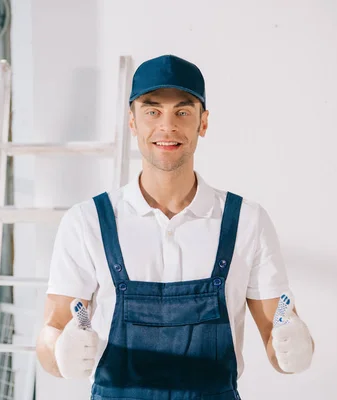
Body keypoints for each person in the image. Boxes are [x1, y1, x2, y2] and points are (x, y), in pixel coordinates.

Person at [36, 54, 314, 399]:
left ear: (204, 122)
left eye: (182, 112)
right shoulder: (87, 221)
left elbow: (280, 337)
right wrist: (60, 354)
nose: (167, 127)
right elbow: (52, 330)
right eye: (152, 111)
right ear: (132, 121)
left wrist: (296, 348)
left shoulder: (246, 221)